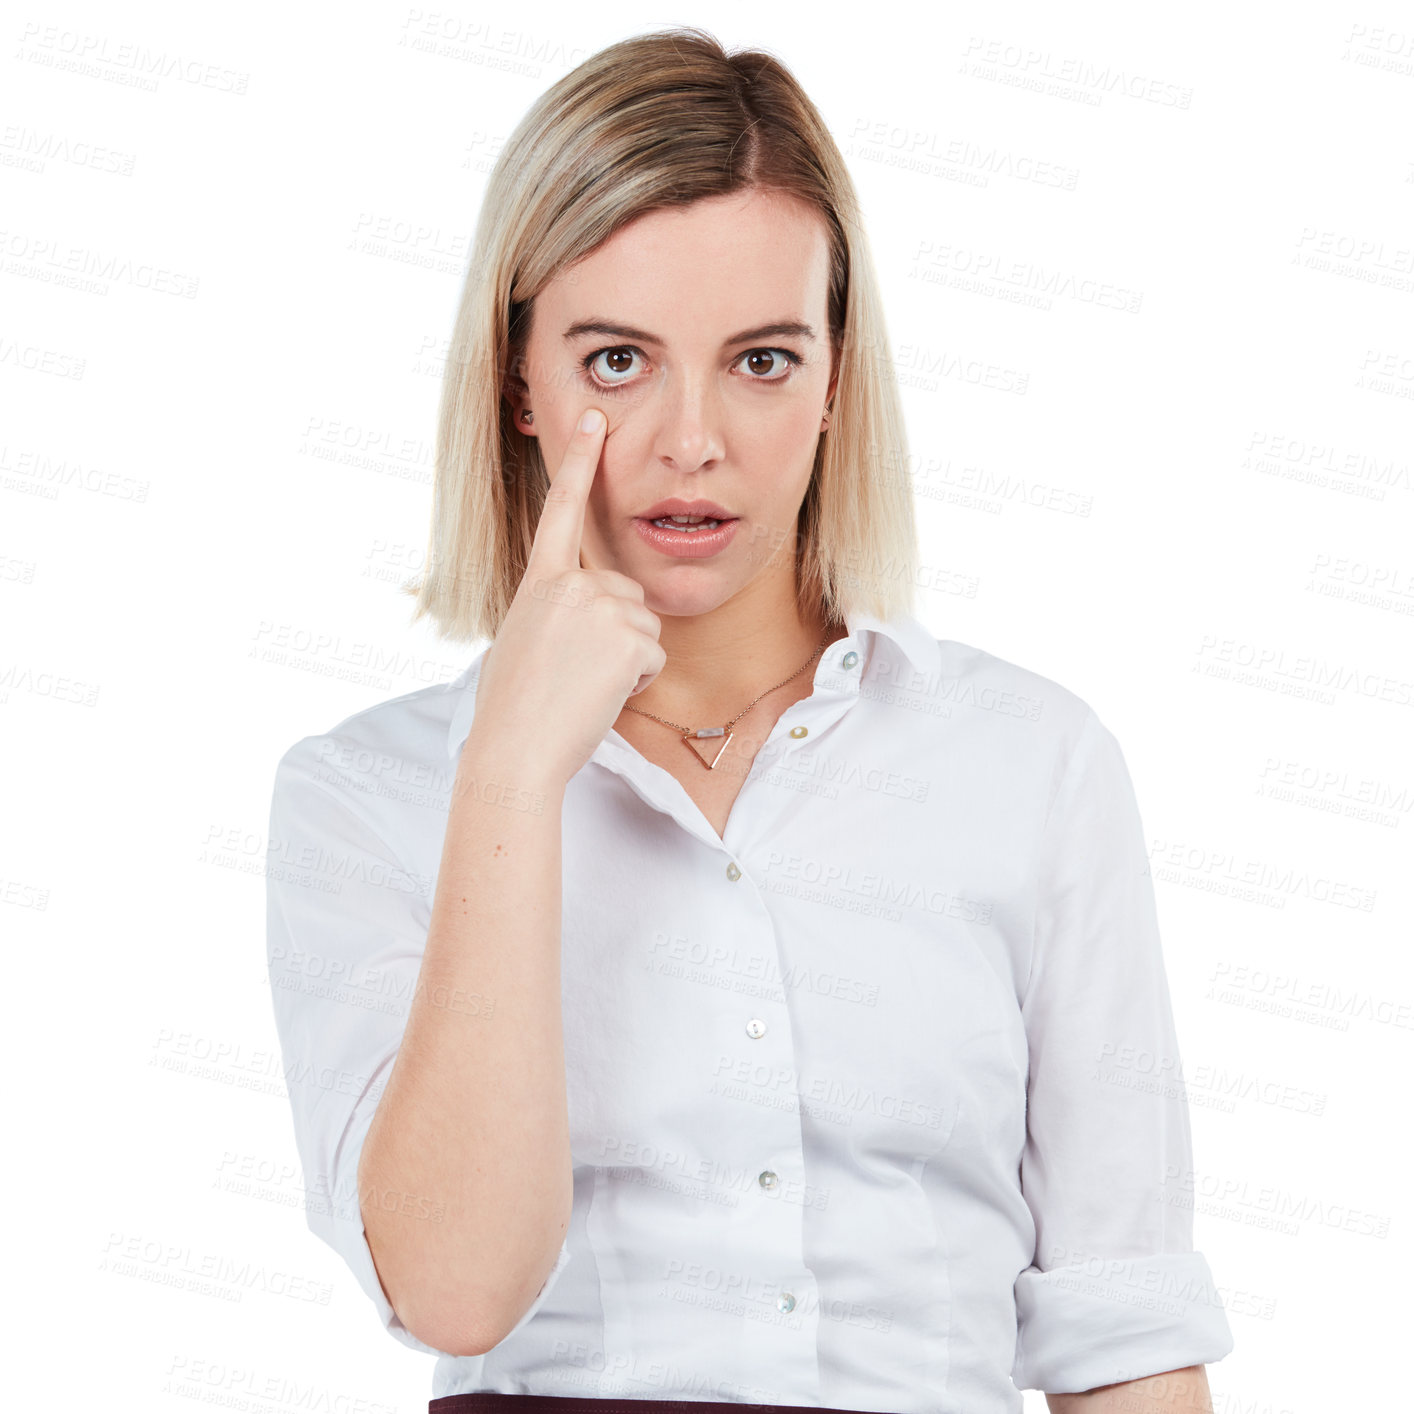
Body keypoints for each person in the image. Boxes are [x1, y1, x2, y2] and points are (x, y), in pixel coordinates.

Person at [264, 25, 1234, 1414]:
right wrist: (510, 771)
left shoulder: (1030, 764)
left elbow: (1119, 1318)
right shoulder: (367, 793)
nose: (691, 439)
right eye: (614, 361)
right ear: (514, 380)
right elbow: (454, 1285)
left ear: (837, 377)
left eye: (761, 360)